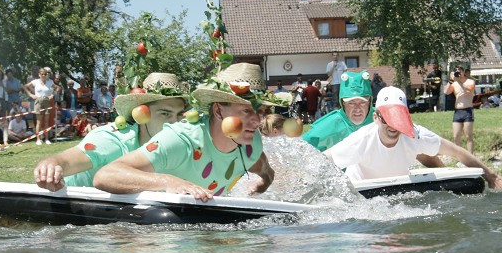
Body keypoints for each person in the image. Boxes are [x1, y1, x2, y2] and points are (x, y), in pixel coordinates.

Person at [93, 63, 289, 201]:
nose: (257, 121)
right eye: (246, 111)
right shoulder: (180, 140)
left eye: (261, 111)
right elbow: (106, 175)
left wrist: (261, 186)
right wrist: (169, 182)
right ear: (219, 110)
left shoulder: (252, 145)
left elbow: (267, 173)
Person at [325, 87, 502, 190]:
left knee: (422, 149)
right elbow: (321, 160)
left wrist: (492, 178)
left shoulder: (416, 133)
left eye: (398, 120)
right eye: (388, 119)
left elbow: (458, 153)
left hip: (398, 186)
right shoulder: (360, 141)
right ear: (376, 118)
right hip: (361, 188)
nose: (393, 126)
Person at [34, 73, 189, 190]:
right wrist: (52, 165)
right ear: (141, 115)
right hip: (70, 209)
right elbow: (69, 160)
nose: (174, 123)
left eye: (179, 114)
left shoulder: (179, 145)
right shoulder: (114, 139)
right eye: (165, 114)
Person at [302, 70, 374, 152]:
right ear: (343, 104)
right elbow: (301, 146)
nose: (357, 109)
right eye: (351, 103)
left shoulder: (381, 120)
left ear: (370, 103)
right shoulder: (331, 123)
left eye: (362, 103)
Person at [443, 65, 475, 154]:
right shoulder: (454, 83)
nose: (459, 73)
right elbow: (446, 92)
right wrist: (450, 81)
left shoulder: (470, 81)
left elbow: (468, 91)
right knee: (456, 136)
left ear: (463, 72)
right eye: (457, 71)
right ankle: (459, 156)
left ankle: (470, 155)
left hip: (467, 111)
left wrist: (459, 82)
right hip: (458, 112)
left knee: (468, 136)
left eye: (460, 71)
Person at [25, 67, 55, 145]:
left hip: (47, 101)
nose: (44, 75)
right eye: (42, 74)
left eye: (45, 74)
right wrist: (31, 95)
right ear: (39, 74)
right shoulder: (35, 81)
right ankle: (38, 139)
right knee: (39, 122)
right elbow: (25, 87)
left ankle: (47, 139)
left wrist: (52, 95)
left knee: (46, 121)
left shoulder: (50, 82)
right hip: (38, 102)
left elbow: (58, 88)